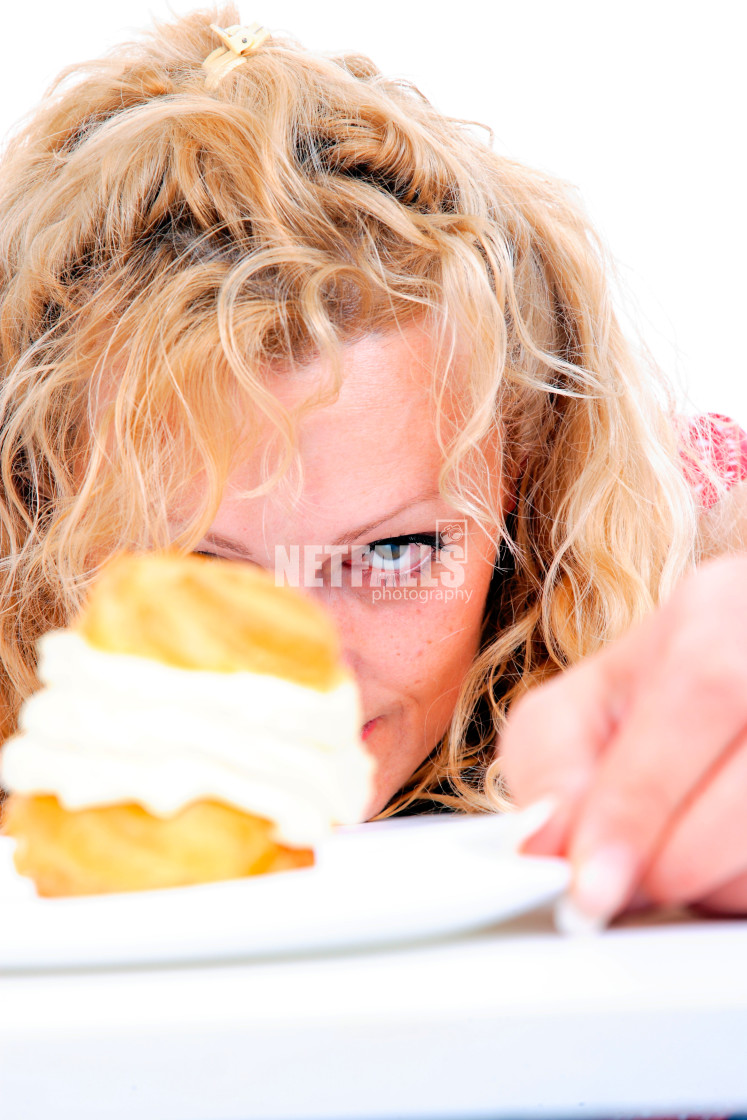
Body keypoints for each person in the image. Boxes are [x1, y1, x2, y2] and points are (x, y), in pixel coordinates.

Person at [0, 5, 746, 931]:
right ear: (36, 513)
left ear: (525, 496)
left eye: (392, 553)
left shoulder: (682, 572)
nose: (306, 674)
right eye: (193, 576)